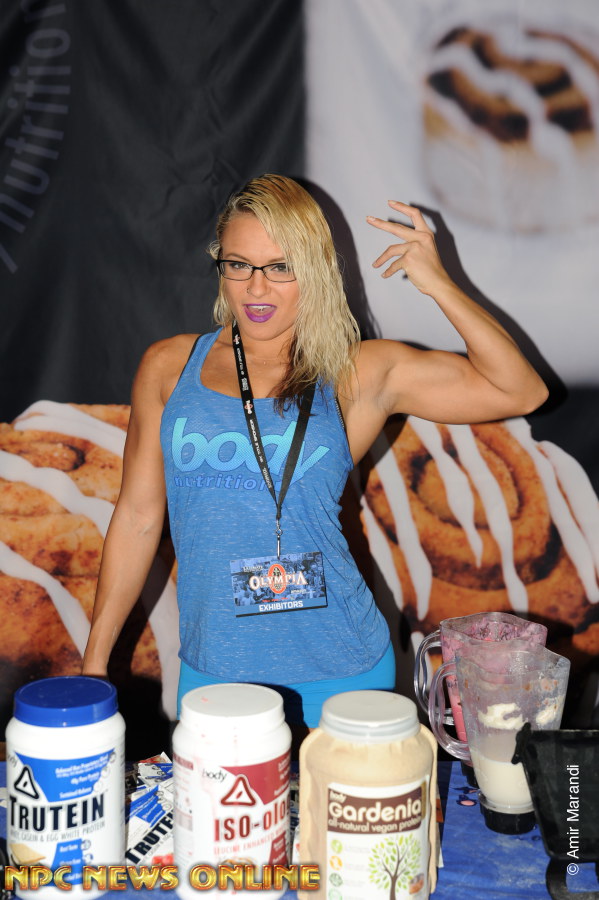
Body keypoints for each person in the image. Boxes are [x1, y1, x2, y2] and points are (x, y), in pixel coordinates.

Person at [82, 174, 548, 733]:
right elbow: (138, 517)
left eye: (281, 267)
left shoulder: (356, 372)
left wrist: (439, 285)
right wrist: (95, 662)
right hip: (215, 673)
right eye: (239, 265)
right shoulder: (169, 367)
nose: (257, 288)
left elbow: (520, 392)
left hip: (341, 669)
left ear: (316, 269)